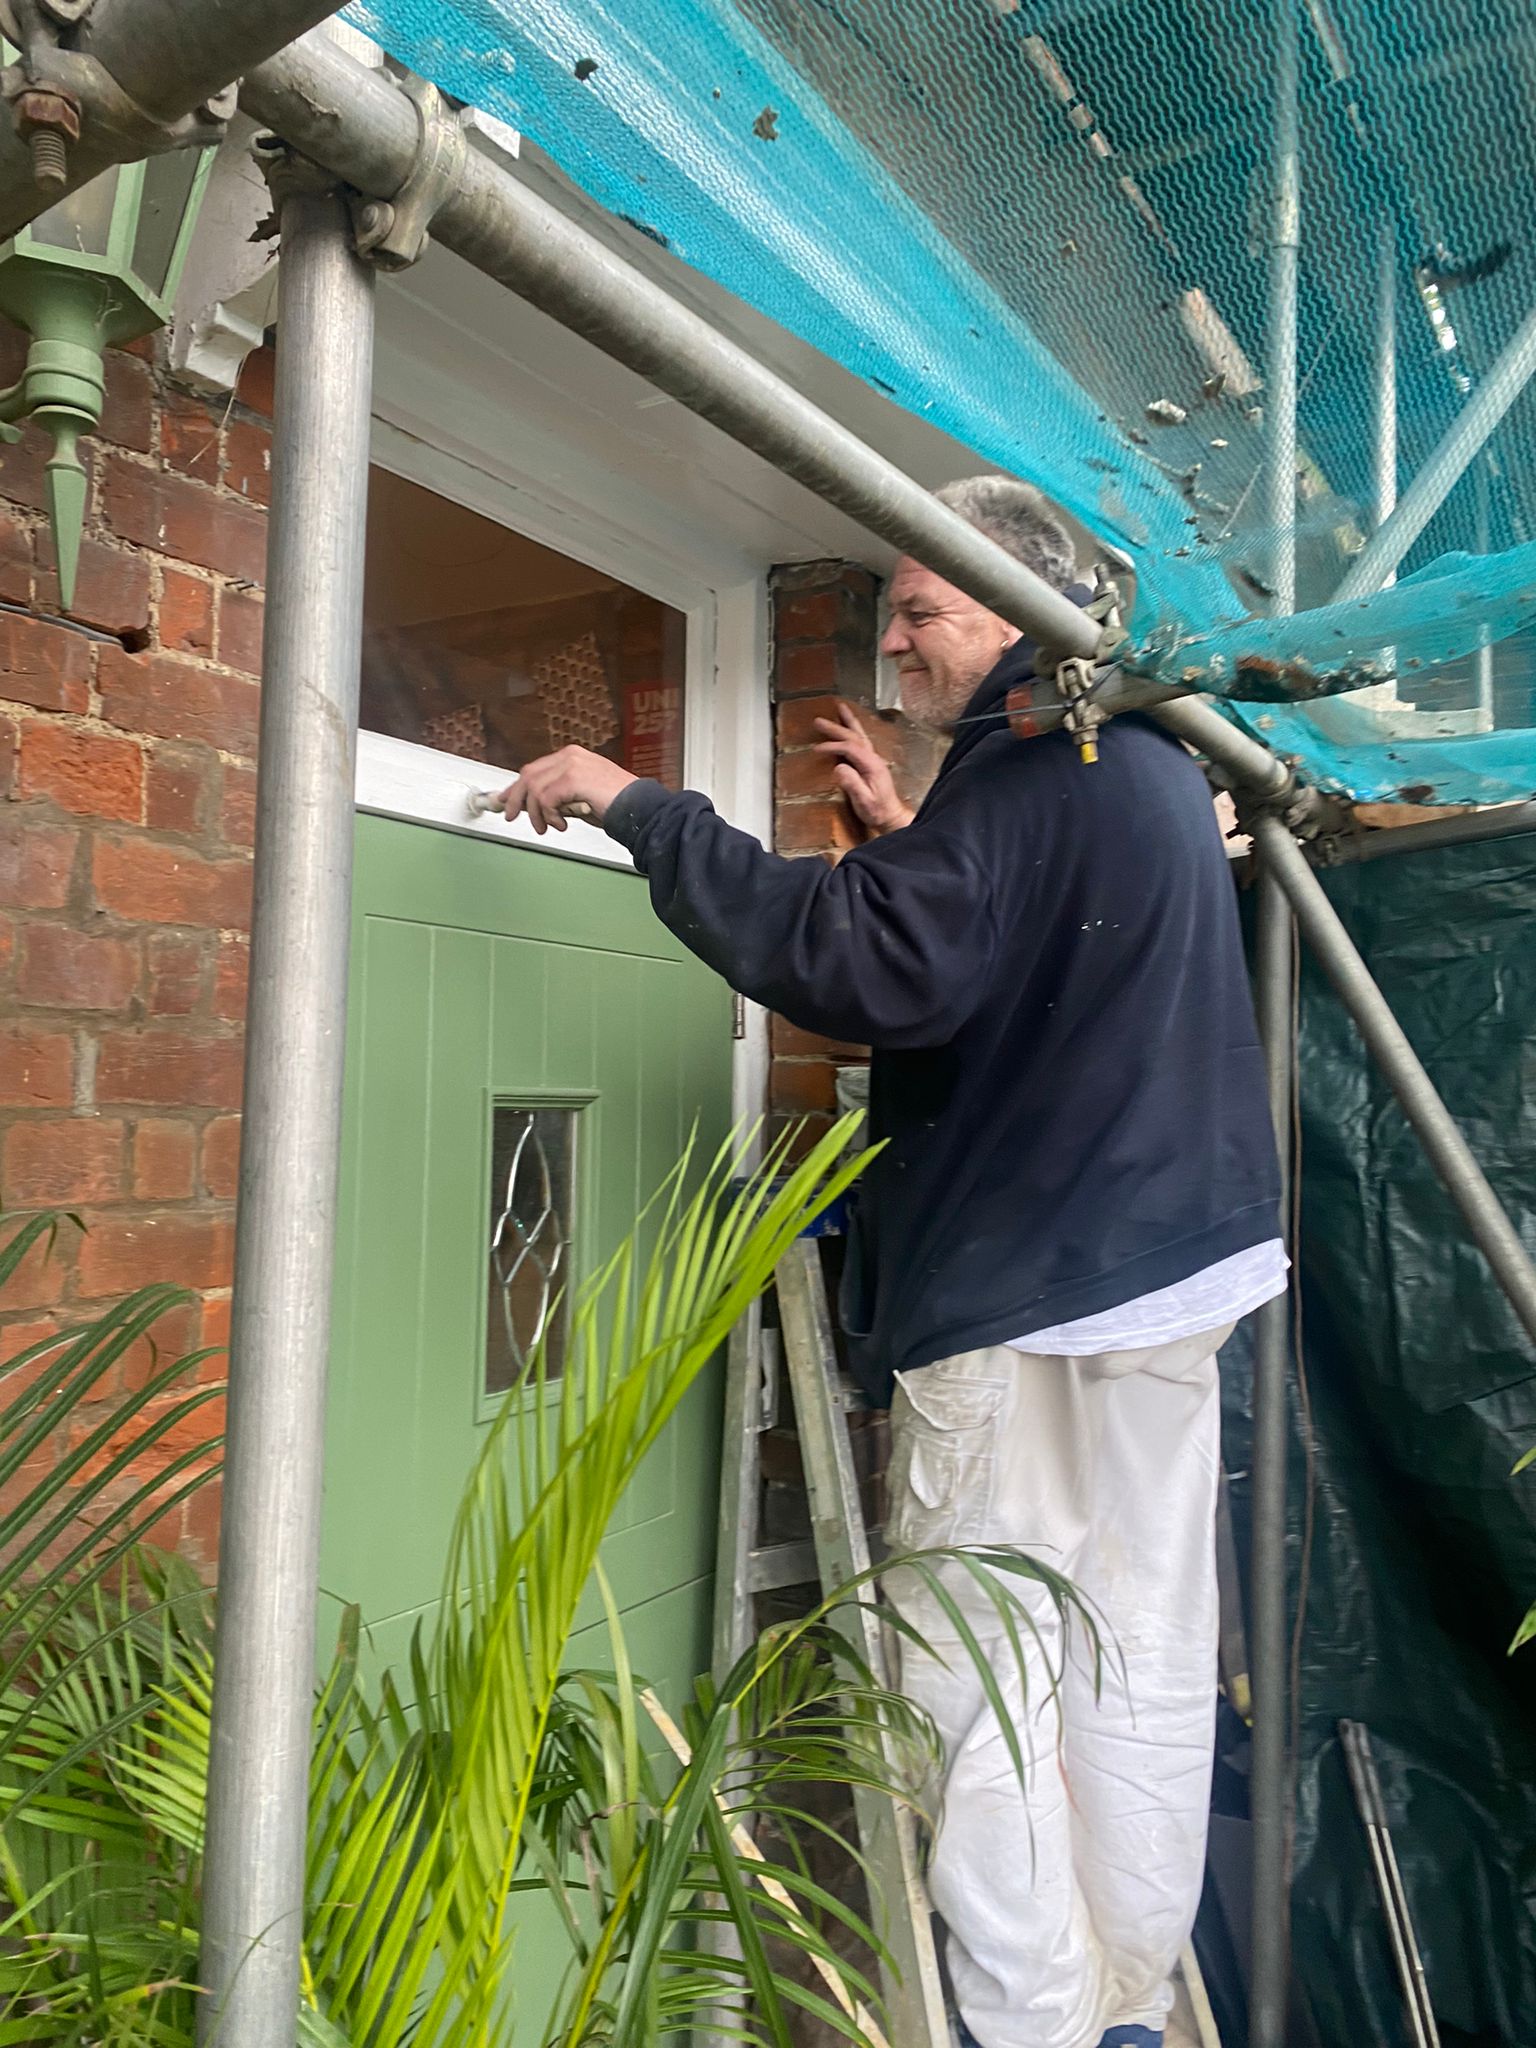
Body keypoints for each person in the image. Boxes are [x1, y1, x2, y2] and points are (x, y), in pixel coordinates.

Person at [497, 475, 1284, 2048]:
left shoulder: (1028, 763)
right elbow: (1009, 950)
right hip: (1176, 1274)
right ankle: (1129, 2001)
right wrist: (923, 839)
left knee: (976, 1680)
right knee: (1132, 1637)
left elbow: (858, 962)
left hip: (1026, 1286)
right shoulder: (1134, 760)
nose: (892, 645)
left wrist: (637, 800)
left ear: (1017, 611)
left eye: (920, 609)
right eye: (884, 617)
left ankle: (1033, 2022)